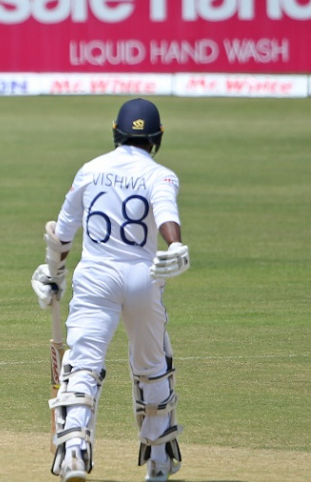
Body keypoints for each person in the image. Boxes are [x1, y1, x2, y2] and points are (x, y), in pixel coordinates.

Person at [31, 98, 190, 482]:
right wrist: (176, 246)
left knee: (83, 364)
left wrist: (54, 274)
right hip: (143, 276)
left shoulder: (90, 169)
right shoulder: (162, 174)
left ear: (115, 132)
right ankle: (158, 461)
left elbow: (62, 234)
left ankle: (73, 452)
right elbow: (167, 216)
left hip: (95, 275)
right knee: (152, 367)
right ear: (157, 138)